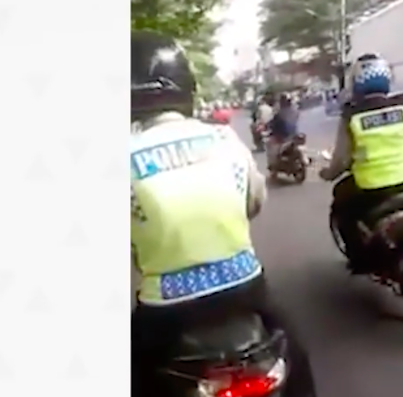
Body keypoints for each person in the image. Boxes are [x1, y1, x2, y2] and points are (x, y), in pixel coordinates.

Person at [131, 30, 317, 397]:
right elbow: (254, 201)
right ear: (187, 86)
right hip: (243, 286)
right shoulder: (223, 138)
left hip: (168, 306)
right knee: (292, 347)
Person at [318, 53, 403, 274]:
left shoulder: (352, 115)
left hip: (371, 186)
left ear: (355, 82)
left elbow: (343, 159)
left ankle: (360, 260)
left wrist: (328, 173)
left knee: (343, 209)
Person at [266, 93, 300, 173]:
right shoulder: (295, 111)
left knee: (270, 146)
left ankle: (273, 167)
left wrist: (269, 128)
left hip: (282, 137)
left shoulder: (279, 113)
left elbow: (272, 124)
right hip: (294, 135)